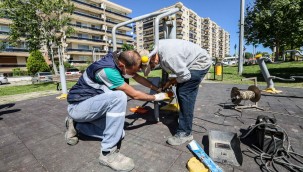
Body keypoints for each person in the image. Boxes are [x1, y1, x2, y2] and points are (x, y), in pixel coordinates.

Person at [65, 50, 169, 171]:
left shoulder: (120, 58)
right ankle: (107, 154)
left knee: (119, 133)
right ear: (122, 66)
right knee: (119, 96)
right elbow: (134, 95)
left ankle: (76, 125)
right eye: (133, 71)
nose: (135, 74)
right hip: (78, 106)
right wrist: (157, 97)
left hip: (91, 106)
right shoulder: (108, 71)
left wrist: (157, 89)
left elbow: (137, 77)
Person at [142, 39, 212, 146]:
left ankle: (185, 133)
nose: (153, 66)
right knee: (182, 89)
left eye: (151, 65)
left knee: (184, 93)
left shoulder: (169, 57)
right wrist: (170, 82)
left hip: (199, 63)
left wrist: (171, 82)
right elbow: (180, 72)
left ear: (152, 57)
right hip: (192, 63)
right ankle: (185, 123)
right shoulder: (159, 50)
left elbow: (185, 76)